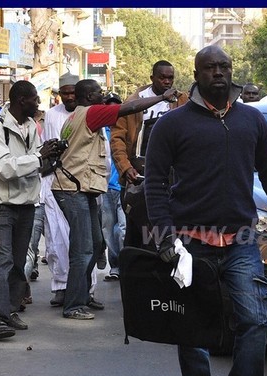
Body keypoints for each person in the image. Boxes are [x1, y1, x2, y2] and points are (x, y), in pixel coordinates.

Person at [144, 45, 267, 376]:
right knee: (192, 331)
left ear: (231, 70)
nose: (218, 73)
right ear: (197, 73)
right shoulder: (173, 124)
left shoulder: (251, 121)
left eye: (224, 66)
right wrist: (165, 238)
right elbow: (154, 184)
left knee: (256, 320)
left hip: (240, 243)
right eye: (210, 67)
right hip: (189, 245)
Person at [52, 79, 179, 321]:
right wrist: (162, 98)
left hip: (81, 186)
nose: (103, 95)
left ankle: (81, 295)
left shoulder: (76, 115)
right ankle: (73, 304)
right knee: (83, 249)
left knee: (97, 243)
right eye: (99, 92)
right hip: (73, 188)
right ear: (89, 96)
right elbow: (127, 109)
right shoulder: (92, 113)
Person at [0, 80, 63, 340]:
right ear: (21, 101)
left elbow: (34, 164)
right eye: (35, 100)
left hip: (27, 203)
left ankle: (10, 310)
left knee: (18, 263)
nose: (38, 104)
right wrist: (39, 157)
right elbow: (4, 168)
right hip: (3, 205)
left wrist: (50, 154)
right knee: (4, 261)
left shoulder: (30, 127)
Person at [110, 60, 189, 250]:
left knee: (167, 231)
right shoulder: (134, 102)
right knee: (137, 230)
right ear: (152, 77)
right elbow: (117, 139)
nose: (167, 82)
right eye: (162, 78)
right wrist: (125, 167)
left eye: (170, 78)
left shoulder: (182, 101)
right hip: (138, 176)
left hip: (170, 178)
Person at [41, 72, 82, 308]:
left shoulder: (87, 113)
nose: (69, 97)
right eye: (65, 93)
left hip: (81, 182)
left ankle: (85, 289)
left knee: (81, 239)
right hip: (55, 180)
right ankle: (61, 286)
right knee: (57, 237)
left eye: (72, 93)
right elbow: (48, 145)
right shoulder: (51, 115)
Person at [101, 92, 126, 281]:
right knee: (108, 229)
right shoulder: (99, 130)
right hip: (104, 187)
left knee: (123, 229)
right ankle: (115, 266)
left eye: (115, 106)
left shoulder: (123, 130)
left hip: (122, 186)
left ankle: (124, 265)